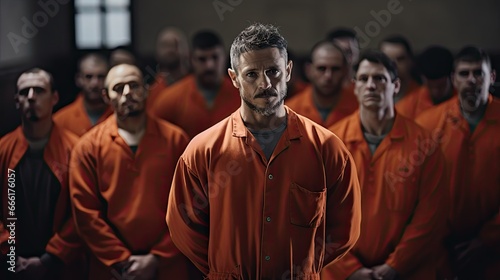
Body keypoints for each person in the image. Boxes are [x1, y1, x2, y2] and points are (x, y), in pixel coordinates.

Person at [166, 22, 361, 279]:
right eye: (251, 74)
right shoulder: (203, 150)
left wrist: (304, 268)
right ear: (234, 78)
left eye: (273, 71)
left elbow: (346, 228)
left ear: (289, 71)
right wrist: (223, 269)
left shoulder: (326, 148)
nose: (265, 83)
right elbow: (182, 224)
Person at [323, 50, 449, 280]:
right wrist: (351, 270)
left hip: (410, 271)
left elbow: (431, 217)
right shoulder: (332, 143)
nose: (371, 85)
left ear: (396, 85)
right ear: (355, 86)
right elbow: (318, 215)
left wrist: (394, 267)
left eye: (380, 78)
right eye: (364, 79)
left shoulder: (424, 145)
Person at [70, 64, 198, 279]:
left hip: (167, 266)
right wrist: (121, 260)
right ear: (106, 96)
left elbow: (192, 205)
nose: (127, 93)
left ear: (146, 90)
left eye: (134, 85)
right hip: (113, 269)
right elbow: (86, 214)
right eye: (118, 88)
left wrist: (157, 257)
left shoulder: (176, 140)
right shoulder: (88, 147)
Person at [416, 46, 500, 279]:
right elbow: (414, 189)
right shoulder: (428, 123)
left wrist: (489, 238)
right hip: (440, 246)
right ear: (453, 79)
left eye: (478, 73)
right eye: (464, 74)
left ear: (491, 77)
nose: (471, 80)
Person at [0, 68, 84, 280]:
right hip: (12, 265)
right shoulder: (3, 150)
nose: (31, 97)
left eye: (39, 90)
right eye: (24, 92)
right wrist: (9, 255)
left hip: (63, 267)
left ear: (54, 98)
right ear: (17, 101)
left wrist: (49, 260)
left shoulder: (75, 149)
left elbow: (83, 213)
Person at [151, 30, 241, 138]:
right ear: (191, 60)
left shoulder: (241, 94)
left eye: (215, 57)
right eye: (202, 59)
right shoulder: (171, 98)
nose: (209, 66)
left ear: (225, 58)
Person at [286, 40, 358, 127]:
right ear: (308, 70)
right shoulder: (291, 110)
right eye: (321, 69)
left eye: (335, 69)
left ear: (345, 71)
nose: (328, 76)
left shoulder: (358, 107)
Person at [53, 53, 113, 137]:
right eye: (89, 77)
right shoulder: (60, 120)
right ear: (79, 79)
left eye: (101, 77)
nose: (94, 83)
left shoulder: (119, 116)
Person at [396, 45, 455, 119]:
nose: (435, 92)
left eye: (440, 86)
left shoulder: (462, 102)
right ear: (422, 79)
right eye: (430, 86)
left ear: (452, 78)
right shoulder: (406, 107)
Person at [147, 27, 190, 107]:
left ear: (186, 50)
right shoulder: (150, 89)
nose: (170, 50)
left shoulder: (197, 84)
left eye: (175, 45)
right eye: (165, 45)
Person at [380, 35, 422, 103]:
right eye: (387, 59)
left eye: (400, 59)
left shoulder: (422, 96)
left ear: (410, 61)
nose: (393, 65)